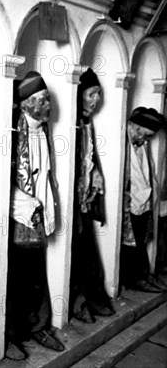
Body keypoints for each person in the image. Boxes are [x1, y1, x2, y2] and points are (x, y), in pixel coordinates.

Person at [5, 71, 65, 361]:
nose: (48, 105)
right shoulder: (14, 133)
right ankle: (13, 335)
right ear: (26, 104)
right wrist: (29, 207)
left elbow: (47, 176)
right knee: (16, 278)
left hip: (39, 215)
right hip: (20, 217)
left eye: (48, 99)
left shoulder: (43, 131)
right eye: (41, 100)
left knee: (37, 276)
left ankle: (39, 327)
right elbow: (5, 183)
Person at [69, 68, 115, 324]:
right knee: (76, 253)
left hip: (83, 201)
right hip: (71, 203)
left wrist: (95, 172)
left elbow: (88, 158)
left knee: (87, 253)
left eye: (98, 94)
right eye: (92, 93)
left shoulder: (86, 123)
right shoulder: (72, 123)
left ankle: (92, 298)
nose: (96, 100)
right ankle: (79, 303)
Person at [120, 107, 167, 293]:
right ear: (135, 127)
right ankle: (131, 280)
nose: (145, 140)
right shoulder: (123, 143)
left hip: (143, 202)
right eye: (145, 135)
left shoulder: (141, 144)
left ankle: (142, 277)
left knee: (140, 242)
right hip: (129, 202)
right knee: (129, 245)